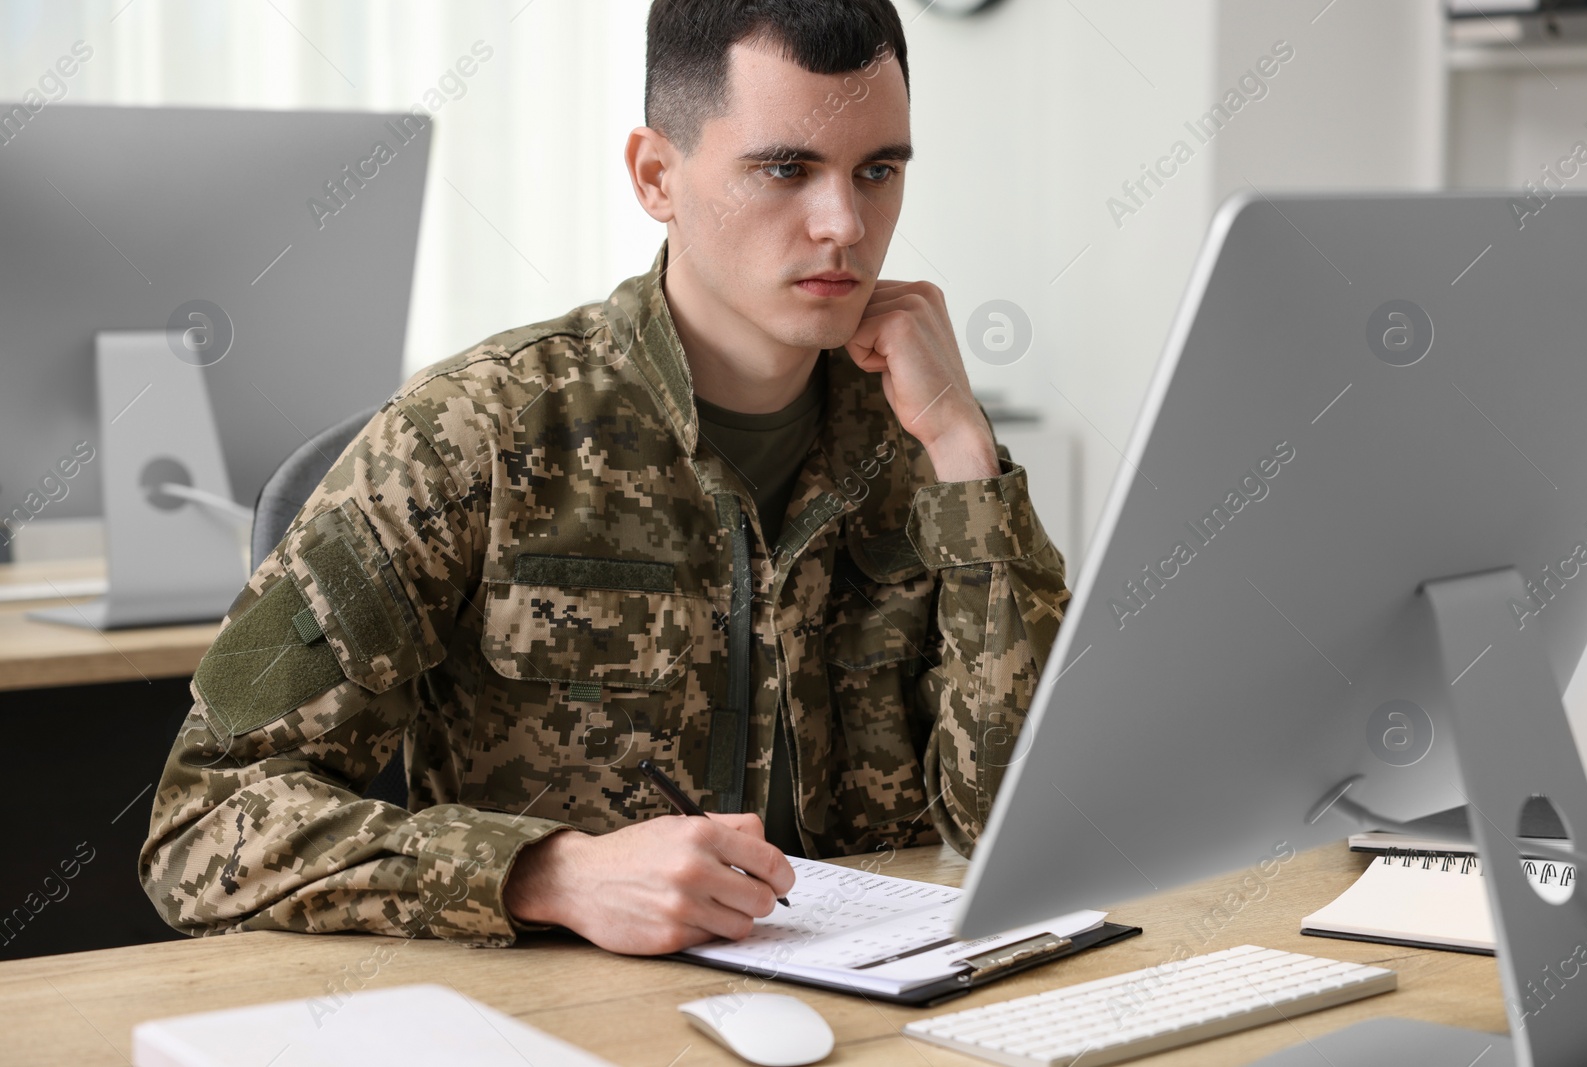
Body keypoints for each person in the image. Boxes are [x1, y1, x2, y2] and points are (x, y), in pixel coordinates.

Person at [139, 0, 1071, 957]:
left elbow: (1024, 821)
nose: (844, 224)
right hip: (568, 1023)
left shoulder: (926, 436)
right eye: (786, 169)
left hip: (889, 1014)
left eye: (877, 171)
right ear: (656, 175)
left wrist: (964, 450)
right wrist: (549, 872)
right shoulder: (473, 434)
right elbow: (202, 824)